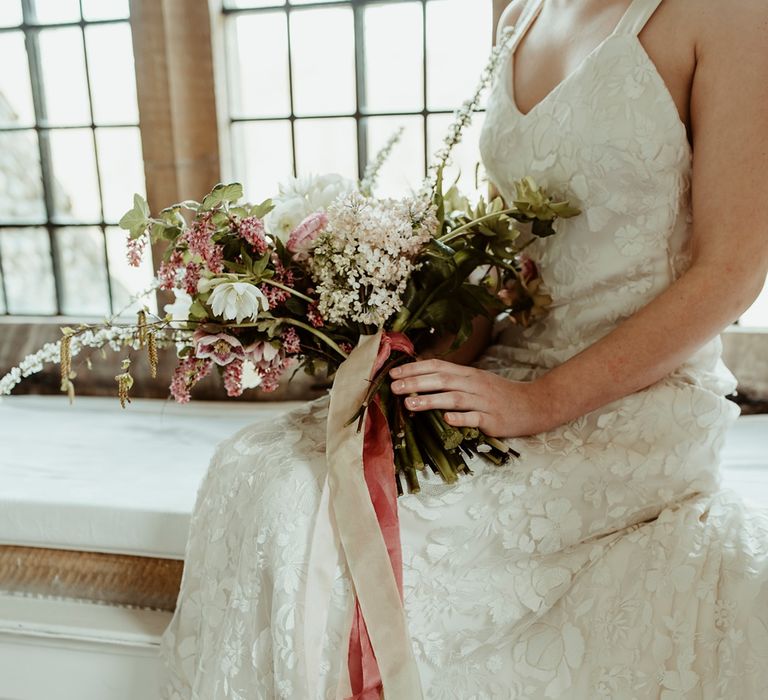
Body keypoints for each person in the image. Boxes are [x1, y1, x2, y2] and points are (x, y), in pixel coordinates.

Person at [160, 0, 768, 697]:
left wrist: (540, 403)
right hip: (506, 368)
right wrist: (414, 354)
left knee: (336, 517)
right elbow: (514, 244)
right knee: (261, 470)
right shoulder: (516, 9)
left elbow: (732, 273)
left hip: (633, 403)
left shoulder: (732, 14)